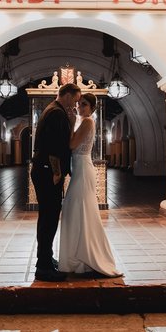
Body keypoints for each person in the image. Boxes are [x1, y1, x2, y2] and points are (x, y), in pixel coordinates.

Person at [57, 93, 122, 277]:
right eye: (79, 104)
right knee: (76, 210)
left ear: (92, 108)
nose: (80, 107)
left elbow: (71, 144)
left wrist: (70, 123)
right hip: (80, 169)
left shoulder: (87, 122)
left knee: (80, 210)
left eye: (84, 105)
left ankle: (86, 255)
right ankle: (78, 256)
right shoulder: (84, 121)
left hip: (83, 171)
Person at [31, 82, 81, 282]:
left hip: (44, 169)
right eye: (75, 101)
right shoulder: (56, 113)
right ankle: (43, 268)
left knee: (47, 217)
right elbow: (54, 147)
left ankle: (45, 259)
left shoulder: (54, 110)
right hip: (48, 171)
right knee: (49, 218)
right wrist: (57, 173)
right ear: (67, 95)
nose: (74, 105)